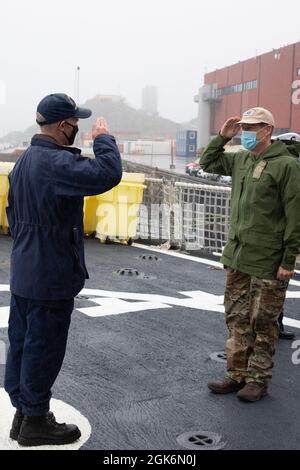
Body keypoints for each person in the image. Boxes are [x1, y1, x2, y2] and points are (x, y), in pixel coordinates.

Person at [4, 93, 122, 446]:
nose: (77, 129)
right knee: (44, 346)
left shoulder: (24, 162)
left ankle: (24, 414)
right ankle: (36, 421)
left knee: (22, 345)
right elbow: (107, 173)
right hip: (50, 274)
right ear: (62, 126)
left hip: (25, 270)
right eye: (75, 124)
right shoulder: (53, 163)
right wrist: (103, 139)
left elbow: (12, 214)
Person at [201, 107, 300, 402]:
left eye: (251, 127)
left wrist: (288, 259)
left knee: (263, 322)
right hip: (238, 256)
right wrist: (221, 138)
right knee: (236, 318)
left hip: (268, 259)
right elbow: (208, 163)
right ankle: (236, 374)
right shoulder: (242, 159)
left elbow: (295, 215)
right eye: (243, 127)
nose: (245, 132)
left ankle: (258, 379)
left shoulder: (286, 166)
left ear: (267, 130)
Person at [274, 133, 300, 340]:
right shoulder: (292, 165)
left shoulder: (276, 163)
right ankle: (275, 324)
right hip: (284, 235)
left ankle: (275, 323)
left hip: (275, 235)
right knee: (276, 285)